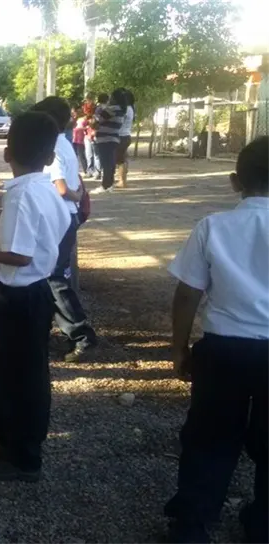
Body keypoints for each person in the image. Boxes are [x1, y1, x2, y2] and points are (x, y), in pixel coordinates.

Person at [162, 137, 269, 543]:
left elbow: (187, 293)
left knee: (209, 436)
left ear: (234, 181)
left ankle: (192, 523)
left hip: (224, 349)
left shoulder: (213, 227)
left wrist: (179, 348)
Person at [0, 111, 70, 482]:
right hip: (29, 292)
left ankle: (23, 456)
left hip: (22, 296)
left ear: (7, 153)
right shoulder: (45, 188)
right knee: (6, 366)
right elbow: (45, 236)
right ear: (50, 156)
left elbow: (21, 255)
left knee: (24, 375)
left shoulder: (22, 195)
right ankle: (2, 427)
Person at [31, 97, 98, 362]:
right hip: (65, 215)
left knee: (53, 277)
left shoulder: (54, 146)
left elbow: (60, 187)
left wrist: (76, 195)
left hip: (58, 217)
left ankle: (81, 334)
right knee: (50, 275)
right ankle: (45, 329)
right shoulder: (64, 143)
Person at [89, 90, 126, 194]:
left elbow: (95, 122)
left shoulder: (111, 109)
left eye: (111, 97)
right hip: (114, 137)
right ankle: (109, 184)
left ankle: (105, 185)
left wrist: (94, 121)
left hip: (105, 138)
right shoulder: (121, 110)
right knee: (110, 162)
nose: (110, 99)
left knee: (106, 163)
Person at [116, 89, 136, 189]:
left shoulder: (126, 109)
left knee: (120, 160)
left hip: (121, 136)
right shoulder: (131, 108)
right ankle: (122, 180)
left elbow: (119, 121)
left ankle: (122, 181)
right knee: (122, 158)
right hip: (126, 135)